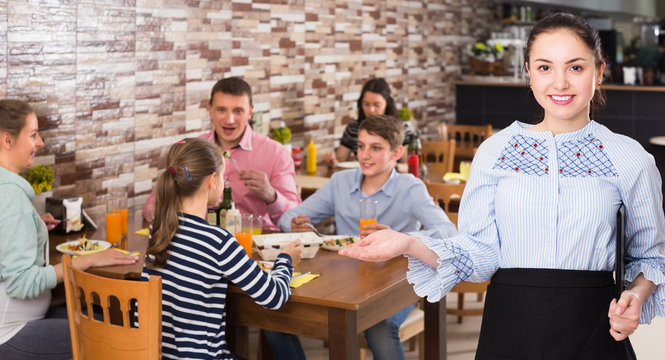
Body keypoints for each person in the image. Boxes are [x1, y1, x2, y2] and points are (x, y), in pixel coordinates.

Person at [341, 13, 665, 360]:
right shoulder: (495, 151)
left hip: (593, 328)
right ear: (529, 73)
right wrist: (408, 242)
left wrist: (637, 294)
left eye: (575, 68)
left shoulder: (631, 159)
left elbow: (649, 255)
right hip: (509, 325)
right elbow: (479, 253)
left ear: (599, 72)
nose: (560, 83)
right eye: (544, 68)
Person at [265, 115, 456, 360]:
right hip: (344, 277)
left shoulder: (410, 188)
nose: (364, 155)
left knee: (380, 327)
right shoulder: (340, 182)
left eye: (376, 148)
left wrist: (398, 237)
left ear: (396, 152)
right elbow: (289, 216)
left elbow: (448, 231)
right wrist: (294, 224)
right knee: (276, 315)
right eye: (361, 146)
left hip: (396, 281)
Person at [140, 137, 303, 359]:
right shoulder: (218, 241)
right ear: (212, 181)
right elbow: (274, 296)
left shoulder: (157, 230)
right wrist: (286, 260)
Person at [0, 99, 138, 360]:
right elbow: (20, 283)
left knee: (103, 320)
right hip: (10, 332)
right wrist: (85, 261)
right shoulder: (10, 197)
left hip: (22, 321)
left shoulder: (7, 194)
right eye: (33, 135)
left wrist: (32, 221)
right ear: (7, 140)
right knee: (118, 339)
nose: (40, 143)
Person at [143, 77, 301, 231]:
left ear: (250, 112)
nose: (229, 120)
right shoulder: (192, 149)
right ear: (210, 110)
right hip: (201, 243)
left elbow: (296, 219)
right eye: (221, 110)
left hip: (254, 245)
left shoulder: (276, 153)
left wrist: (270, 194)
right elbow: (151, 207)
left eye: (238, 111)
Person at [323, 78, 415, 167]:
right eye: (366, 104)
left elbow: (411, 166)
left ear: (387, 104)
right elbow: (340, 159)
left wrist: (395, 166)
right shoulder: (353, 128)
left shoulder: (402, 128)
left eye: (377, 105)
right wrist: (333, 161)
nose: (371, 110)